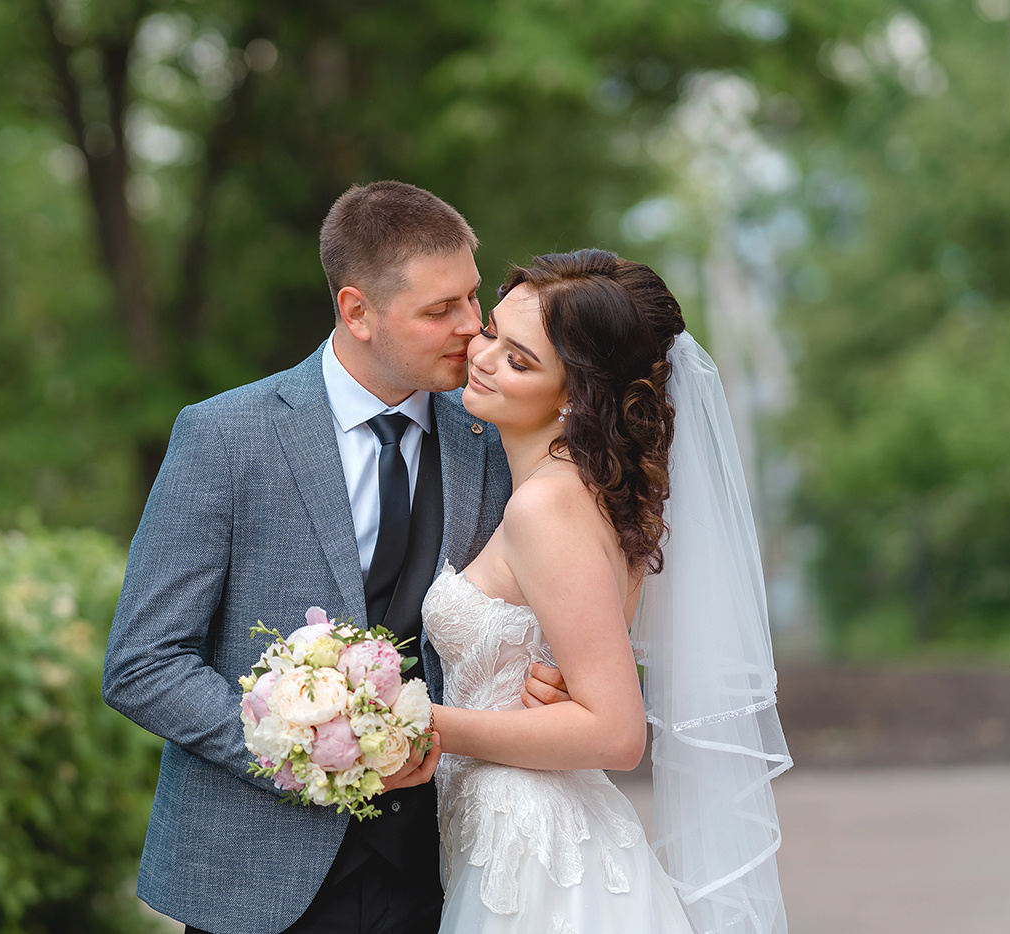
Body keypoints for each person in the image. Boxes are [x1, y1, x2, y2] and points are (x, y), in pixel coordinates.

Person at [101, 180, 566, 934]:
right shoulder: (224, 438)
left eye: (473, 299)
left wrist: (550, 674)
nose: (472, 329)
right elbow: (143, 663)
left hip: (447, 871)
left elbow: (541, 599)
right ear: (357, 311)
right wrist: (308, 755)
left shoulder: (494, 437)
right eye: (440, 310)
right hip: (257, 878)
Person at [423, 249, 791, 933]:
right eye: (494, 332)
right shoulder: (584, 492)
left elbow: (617, 733)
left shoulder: (547, 509)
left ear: (574, 395)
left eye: (519, 360)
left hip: (537, 854)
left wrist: (420, 726)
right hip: (510, 828)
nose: (482, 356)